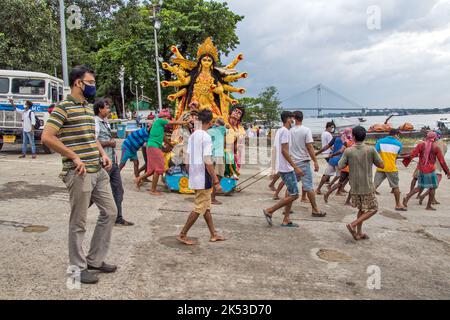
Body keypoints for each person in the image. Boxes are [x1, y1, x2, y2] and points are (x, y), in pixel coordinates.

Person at [41, 65, 117, 284]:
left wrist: (103, 154)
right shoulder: (63, 108)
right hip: (79, 172)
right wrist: (73, 156)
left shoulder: (86, 107)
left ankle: (95, 259)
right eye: (90, 82)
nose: (93, 86)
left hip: (97, 169)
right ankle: (76, 268)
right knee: (79, 222)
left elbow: (90, 138)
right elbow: (47, 137)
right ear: (78, 83)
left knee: (110, 212)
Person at [177, 109, 225, 245]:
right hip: (203, 177)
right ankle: (182, 234)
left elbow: (186, 158)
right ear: (210, 122)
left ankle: (213, 234)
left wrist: (190, 172)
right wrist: (216, 181)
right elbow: (207, 160)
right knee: (199, 207)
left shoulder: (193, 135)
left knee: (206, 206)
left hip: (195, 174)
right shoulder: (206, 137)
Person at [338, 126, 384, 241]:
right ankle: (353, 224)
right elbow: (381, 165)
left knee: (362, 209)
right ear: (364, 137)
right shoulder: (370, 149)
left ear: (353, 137)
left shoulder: (349, 151)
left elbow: (340, 165)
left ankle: (359, 233)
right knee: (373, 209)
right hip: (367, 186)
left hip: (354, 186)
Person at [94, 99, 134, 227]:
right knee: (97, 192)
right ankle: (80, 212)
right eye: (106, 107)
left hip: (113, 162)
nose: (109, 109)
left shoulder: (105, 122)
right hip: (103, 162)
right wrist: (109, 143)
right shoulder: (95, 122)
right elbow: (93, 141)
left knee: (118, 190)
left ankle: (118, 217)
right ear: (100, 109)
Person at [263, 111, 303, 228]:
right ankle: (270, 210)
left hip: (283, 166)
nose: (293, 121)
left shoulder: (280, 131)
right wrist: (295, 167)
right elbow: (284, 151)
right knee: (294, 194)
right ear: (287, 119)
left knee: (291, 193)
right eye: (292, 118)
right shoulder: (285, 132)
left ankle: (286, 219)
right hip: (286, 168)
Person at [135, 108, 190, 195]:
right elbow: (175, 122)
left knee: (151, 170)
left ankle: (138, 179)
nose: (167, 120)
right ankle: (153, 190)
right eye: (167, 118)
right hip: (154, 147)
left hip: (151, 146)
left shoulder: (158, 124)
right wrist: (186, 121)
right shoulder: (160, 120)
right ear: (164, 117)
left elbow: (164, 137)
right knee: (159, 168)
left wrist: (171, 145)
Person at [289, 111, 326, 216]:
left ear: (294, 119)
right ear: (302, 118)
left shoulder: (290, 131)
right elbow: (310, 147)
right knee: (309, 187)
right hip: (303, 162)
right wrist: (315, 161)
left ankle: (287, 208)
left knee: (291, 186)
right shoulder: (306, 130)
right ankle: (315, 209)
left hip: (293, 162)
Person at [402, 131, 450, 211]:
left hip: (421, 168)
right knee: (433, 188)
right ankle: (428, 206)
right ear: (435, 138)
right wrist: (447, 172)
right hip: (430, 170)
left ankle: (407, 197)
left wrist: (404, 160)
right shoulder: (436, 147)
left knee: (420, 186)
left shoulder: (421, 145)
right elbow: (442, 161)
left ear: (427, 137)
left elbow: (413, 154)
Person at [374, 129, 407, 211]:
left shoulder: (380, 141)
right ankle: (398, 204)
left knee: (374, 185)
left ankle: (367, 202)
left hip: (381, 166)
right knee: (395, 187)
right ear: (395, 135)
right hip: (391, 168)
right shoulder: (399, 144)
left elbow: (375, 152)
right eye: (398, 135)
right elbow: (395, 156)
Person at [323, 128, 354, 204]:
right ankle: (347, 201)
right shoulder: (354, 142)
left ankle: (327, 193)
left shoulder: (346, 141)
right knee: (353, 185)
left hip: (344, 165)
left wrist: (332, 154)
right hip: (352, 166)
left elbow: (340, 151)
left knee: (340, 182)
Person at [418, 130, 447, 205]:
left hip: (427, 166)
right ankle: (423, 196)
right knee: (434, 185)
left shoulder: (428, 144)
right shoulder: (443, 144)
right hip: (436, 168)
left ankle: (433, 199)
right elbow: (442, 156)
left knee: (428, 185)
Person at [207, 118, 227, 205]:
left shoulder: (208, 130)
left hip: (211, 154)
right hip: (218, 155)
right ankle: (212, 197)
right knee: (218, 176)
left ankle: (209, 196)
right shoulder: (222, 129)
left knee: (211, 176)